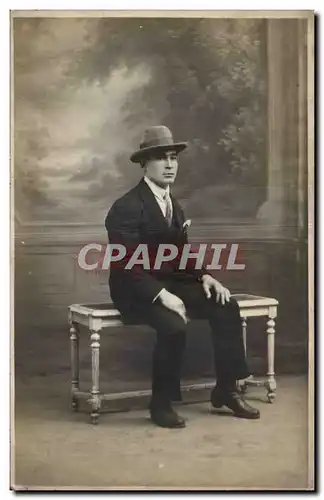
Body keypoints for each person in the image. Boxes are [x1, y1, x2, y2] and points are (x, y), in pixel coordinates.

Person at [105, 125, 260, 428]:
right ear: (144, 164)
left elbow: (182, 254)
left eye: (173, 158)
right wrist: (163, 296)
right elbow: (127, 264)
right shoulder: (126, 207)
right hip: (135, 288)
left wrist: (204, 276)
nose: (169, 164)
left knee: (225, 306)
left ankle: (226, 390)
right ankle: (160, 404)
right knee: (174, 326)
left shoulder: (173, 203)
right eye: (161, 158)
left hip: (169, 282)